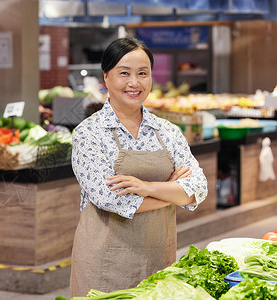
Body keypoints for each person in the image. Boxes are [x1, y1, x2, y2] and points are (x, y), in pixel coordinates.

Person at [69, 36, 208, 297]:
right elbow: (111, 199)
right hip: (103, 263)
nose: (135, 83)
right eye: (124, 73)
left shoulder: (168, 131)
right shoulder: (88, 133)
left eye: (143, 73)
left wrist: (146, 187)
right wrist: (171, 192)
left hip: (159, 258)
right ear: (106, 77)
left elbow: (197, 188)